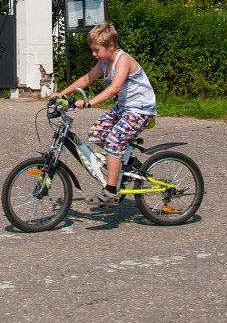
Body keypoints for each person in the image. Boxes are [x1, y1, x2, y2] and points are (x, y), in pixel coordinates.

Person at [53, 22, 157, 208]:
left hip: (140, 110)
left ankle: (110, 191)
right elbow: (86, 79)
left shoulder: (123, 60)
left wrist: (89, 102)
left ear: (111, 46)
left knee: (113, 141)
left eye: (96, 50)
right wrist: (62, 94)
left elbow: (115, 87)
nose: (93, 54)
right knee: (96, 132)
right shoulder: (103, 63)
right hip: (124, 108)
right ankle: (129, 162)